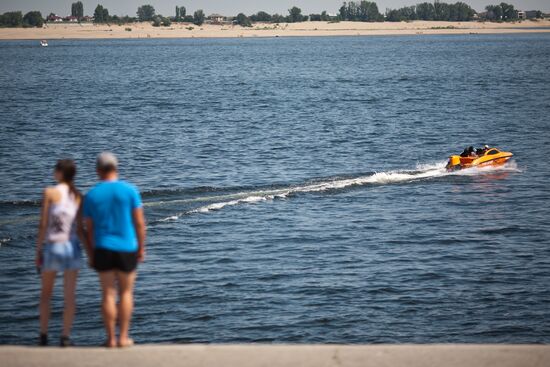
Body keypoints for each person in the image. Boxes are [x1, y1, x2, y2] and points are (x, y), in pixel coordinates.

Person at [83, 152, 146, 348]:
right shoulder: (130, 191)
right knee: (126, 293)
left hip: (103, 248)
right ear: (116, 168)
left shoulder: (91, 194)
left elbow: (89, 230)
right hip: (127, 248)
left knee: (107, 294)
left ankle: (110, 339)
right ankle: (123, 337)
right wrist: (141, 248)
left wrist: (92, 253)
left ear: (98, 171)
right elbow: (139, 224)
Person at [36, 159, 84, 347]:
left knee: (46, 294)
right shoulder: (77, 195)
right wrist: (90, 251)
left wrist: (38, 249)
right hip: (72, 247)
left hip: (53, 246)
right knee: (70, 296)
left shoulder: (49, 192)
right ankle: (65, 337)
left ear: (59, 173)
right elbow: (80, 229)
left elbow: (43, 224)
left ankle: (43, 336)